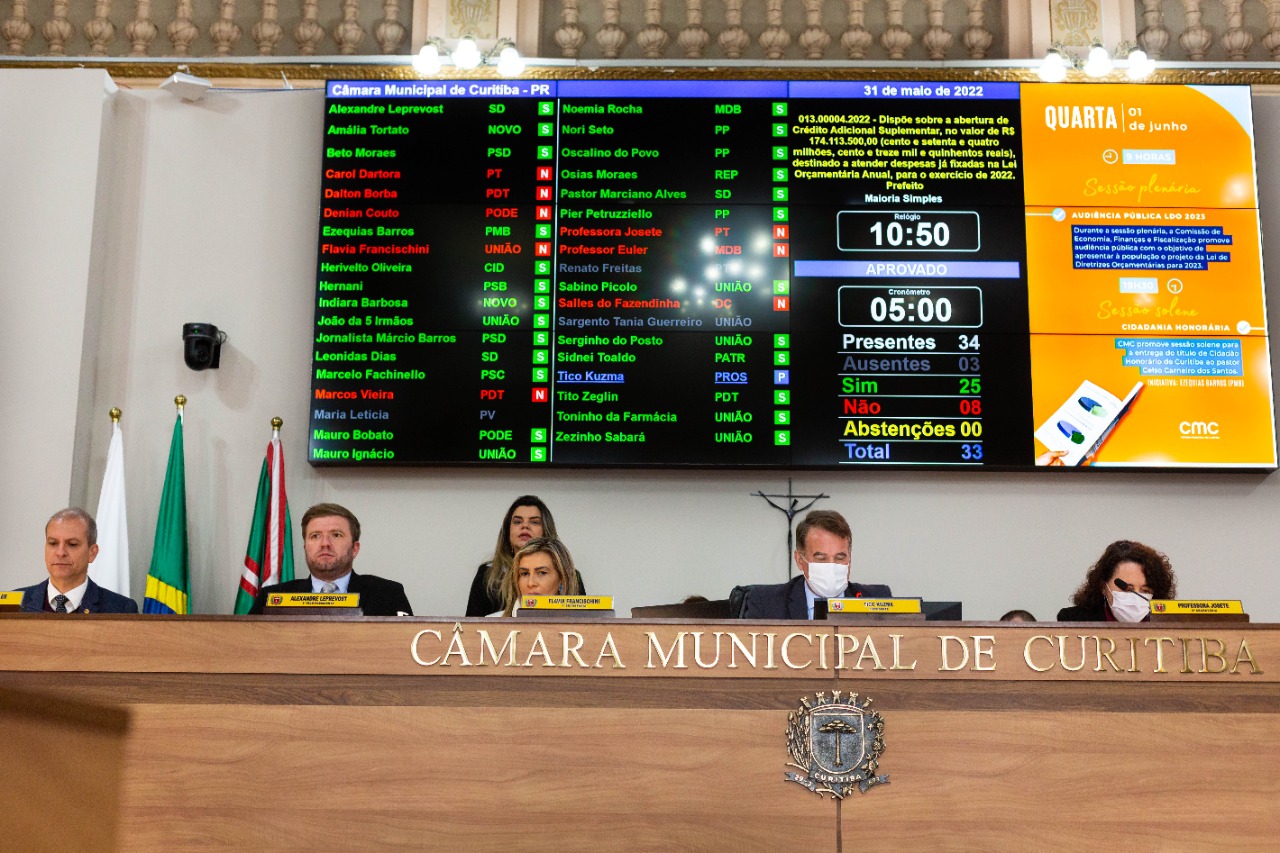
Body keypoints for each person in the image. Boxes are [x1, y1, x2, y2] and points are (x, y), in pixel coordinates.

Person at [250, 502, 412, 616]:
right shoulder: (271, 597)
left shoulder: (388, 594)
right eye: (315, 536)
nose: (325, 544)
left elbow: (406, 646)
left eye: (336, 535)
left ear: (355, 548)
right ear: (305, 547)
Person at [735, 509, 891, 620]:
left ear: (849, 557)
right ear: (800, 560)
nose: (831, 566)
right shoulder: (766, 603)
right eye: (821, 558)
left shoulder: (878, 598)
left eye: (840, 557)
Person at [466, 495, 585, 616]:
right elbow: (472, 624)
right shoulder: (487, 574)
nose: (525, 526)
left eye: (534, 522)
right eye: (518, 522)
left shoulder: (569, 574)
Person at [19, 507, 138, 613]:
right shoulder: (15, 602)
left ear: (92, 553)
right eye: (53, 543)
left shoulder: (121, 609)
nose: (60, 553)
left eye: (72, 544)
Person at [1057, 539, 1176, 622]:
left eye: (1145, 590)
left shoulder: (1171, 626)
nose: (1136, 598)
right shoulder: (1073, 620)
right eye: (1127, 589)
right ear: (1103, 587)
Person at [500, 537, 582, 616]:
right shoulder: (495, 622)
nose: (531, 583)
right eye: (525, 573)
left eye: (542, 573)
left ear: (562, 579)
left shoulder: (583, 623)